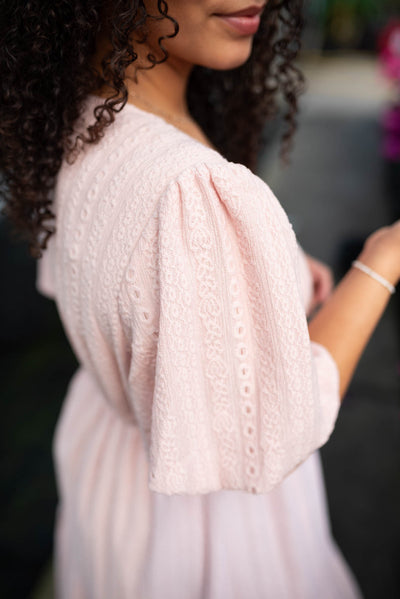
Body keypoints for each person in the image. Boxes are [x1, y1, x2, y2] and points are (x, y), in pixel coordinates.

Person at [1, 1, 400, 597]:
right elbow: (275, 427)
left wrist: (278, 274)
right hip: (210, 536)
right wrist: (380, 263)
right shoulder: (183, 184)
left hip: (117, 496)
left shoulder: (83, 118)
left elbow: (122, 291)